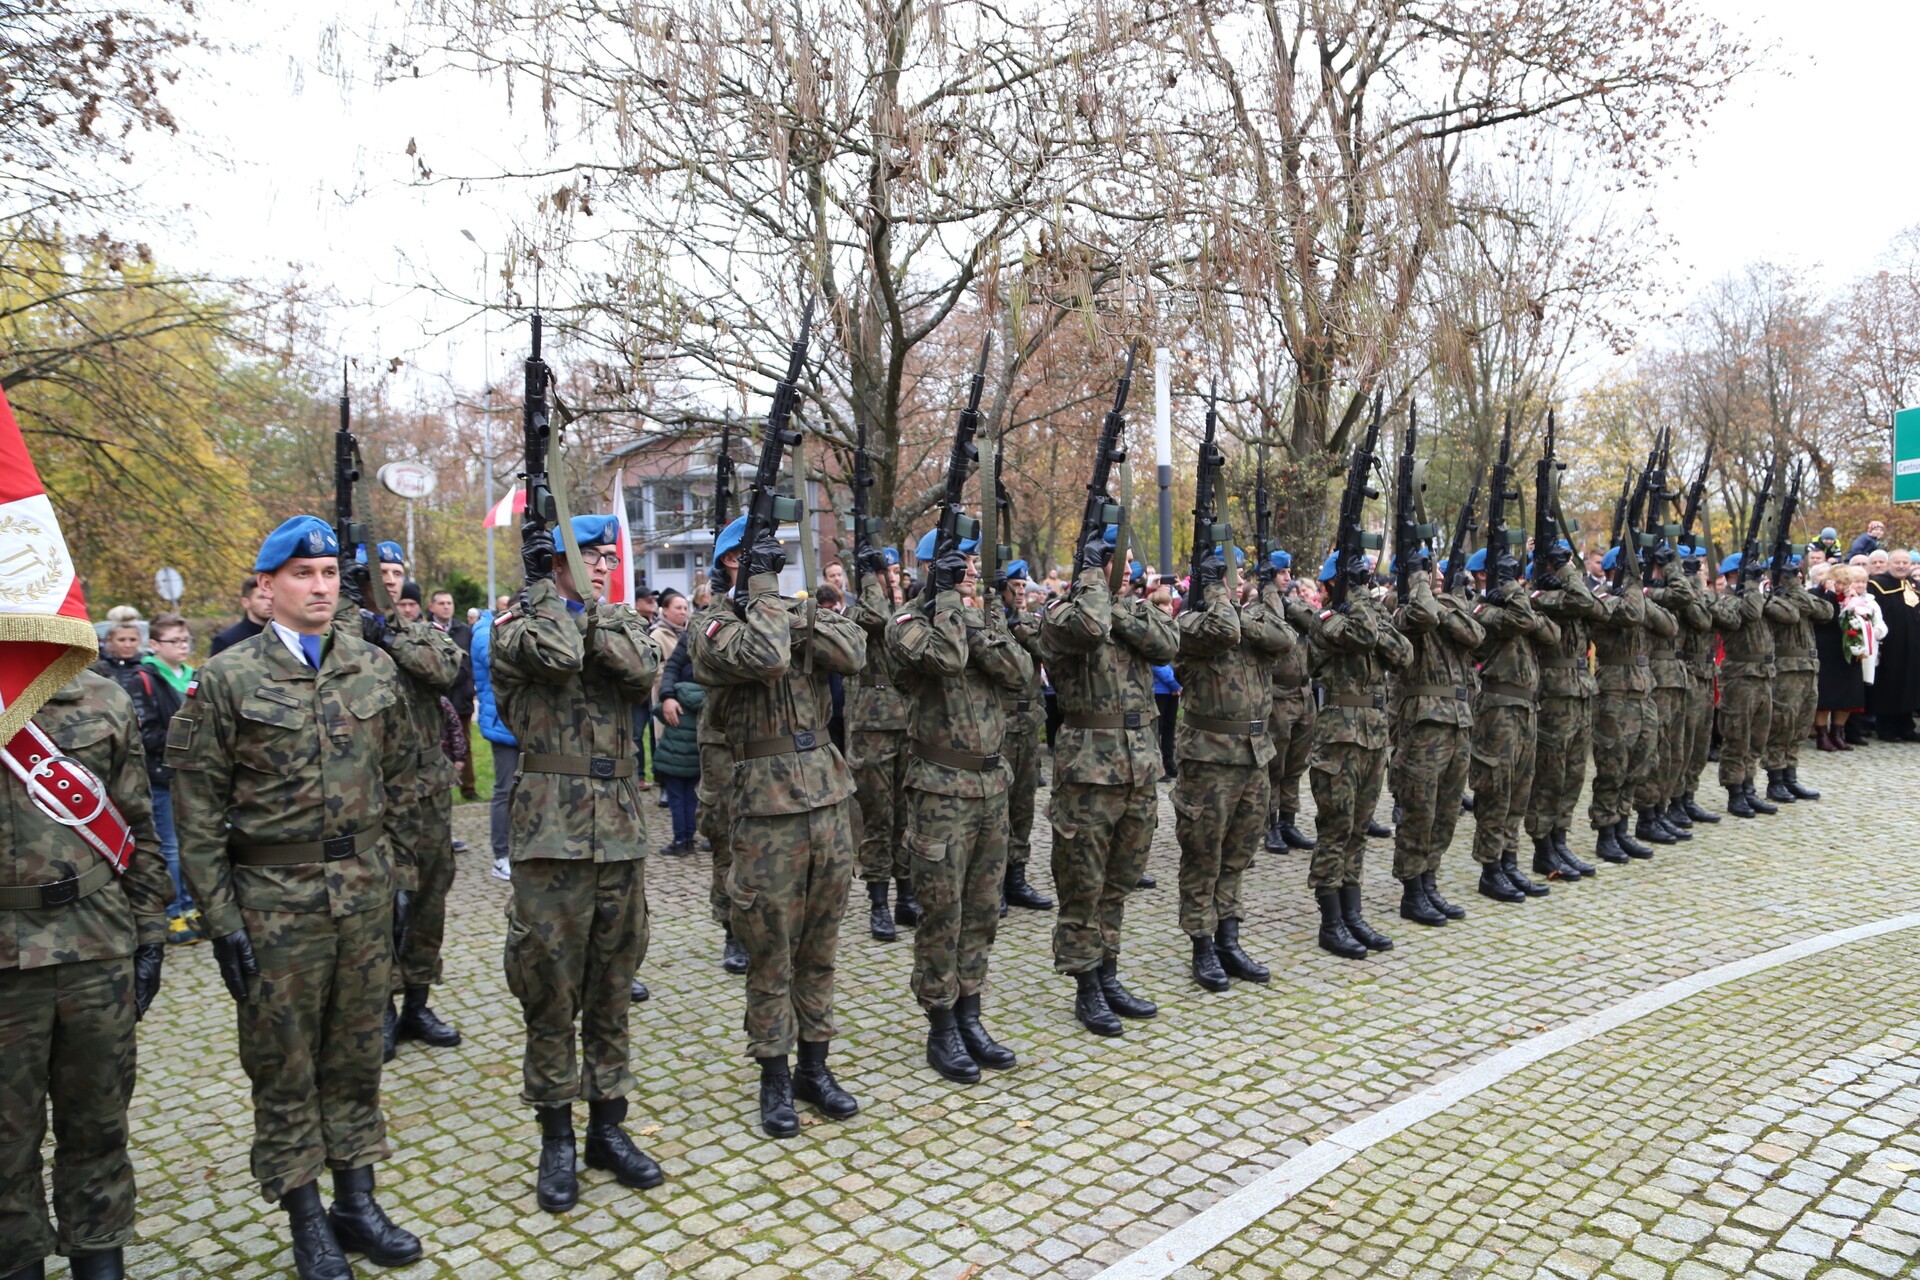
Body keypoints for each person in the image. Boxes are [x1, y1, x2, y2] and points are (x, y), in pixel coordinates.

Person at [168, 514, 425, 1277]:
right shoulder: (227, 678)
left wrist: (402, 877)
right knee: (284, 1065)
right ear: (267, 585)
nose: (320, 587)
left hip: (364, 895)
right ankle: (305, 1215)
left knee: (357, 1055)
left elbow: (406, 777)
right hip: (275, 905)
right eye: (302, 574)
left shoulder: (372, 666)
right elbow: (197, 811)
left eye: (329, 574)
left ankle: (357, 1201)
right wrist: (221, 920)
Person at [493, 514, 665, 1210]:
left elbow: (643, 671)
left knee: (612, 988)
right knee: (550, 991)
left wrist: (591, 611)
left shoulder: (617, 623)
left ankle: (608, 1128)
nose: (601, 566)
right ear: (553, 560)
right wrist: (545, 594)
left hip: (618, 830)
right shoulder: (518, 626)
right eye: (586, 555)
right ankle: (556, 1138)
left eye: (607, 557)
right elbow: (559, 657)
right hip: (550, 835)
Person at [694, 514, 866, 1137]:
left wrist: (796, 610)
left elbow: (853, 652)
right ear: (733, 561)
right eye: (759, 553)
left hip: (827, 799)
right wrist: (766, 595)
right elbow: (765, 658)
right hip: (765, 812)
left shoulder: (795, 614)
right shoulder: (712, 626)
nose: (775, 560)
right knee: (771, 954)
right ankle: (773, 1074)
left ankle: (814, 1068)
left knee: (819, 949)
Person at [1, 661, 169, 1280]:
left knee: (99, 1127)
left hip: (96, 942)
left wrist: (150, 929)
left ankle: (100, 1260)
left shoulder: (102, 697)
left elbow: (137, 822)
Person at [885, 526, 1031, 1082]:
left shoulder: (979, 619)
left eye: (973, 561)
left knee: (982, 910)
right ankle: (941, 1024)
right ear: (931, 568)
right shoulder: (907, 624)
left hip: (991, 786)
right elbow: (945, 659)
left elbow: (1020, 673)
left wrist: (974, 620)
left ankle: (971, 1014)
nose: (972, 569)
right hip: (941, 790)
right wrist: (946, 601)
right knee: (942, 913)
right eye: (961, 562)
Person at [1038, 525, 1176, 1035]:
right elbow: (1090, 627)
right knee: (1083, 885)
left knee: (1119, 881)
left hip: (1139, 767)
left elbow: (1167, 644)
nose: (1132, 567)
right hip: (1088, 772)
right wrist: (1092, 578)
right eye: (1121, 558)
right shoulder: (1061, 615)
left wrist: (1118, 604)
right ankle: (1086, 985)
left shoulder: (1133, 611)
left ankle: (1108, 971)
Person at [360, 549, 464, 1062]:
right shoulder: (338, 634)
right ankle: (380, 1007)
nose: (390, 583)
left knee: (428, 898)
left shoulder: (418, 632)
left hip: (426, 793)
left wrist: (391, 636)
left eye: (397, 574)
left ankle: (417, 1003)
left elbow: (445, 670)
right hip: (368, 795)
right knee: (379, 905)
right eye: (379, 574)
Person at [1173, 546, 1291, 990]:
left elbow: (1285, 638)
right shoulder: (1193, 623)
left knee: (1238, 854)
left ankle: (1229, 939)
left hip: (1253, 755)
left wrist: (1242, 606)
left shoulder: (1249, 621)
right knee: (1204, 855)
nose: (1239, 582)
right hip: (1209, 759)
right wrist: (1213, 594)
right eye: (1230, 575)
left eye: (1240, 575)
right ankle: (1202, 945)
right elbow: (1222, 629)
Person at [1304, 552, 1413, 958]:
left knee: (1359, 829)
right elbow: (1365, 637)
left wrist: (1371, 609)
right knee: (1336, 828)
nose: (1363, 585)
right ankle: (1331, 921)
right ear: (1334, 584)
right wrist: (1360, 600)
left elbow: (1404, 655)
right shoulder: (1326, 620)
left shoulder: (1367, 615)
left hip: (1372, 735)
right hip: (1339, 738)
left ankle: (1353, 914)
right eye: (1354, 579)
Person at [1387, 555, 1483, 922]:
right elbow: (1424, 616)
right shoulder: (1403, 608)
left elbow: (1476, 635)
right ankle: (1412, 890)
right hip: (1424, 722)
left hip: (1458, 719)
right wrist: (1418, 583)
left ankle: (1429, 880)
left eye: (1437, 570)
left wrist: (1443, 602)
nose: (1438, 575)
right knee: (1420, 809)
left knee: (1446, 809)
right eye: (1430, 570)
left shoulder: (1444, 606)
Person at [1465, 548, 1557, 902]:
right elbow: (1520, 620)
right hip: (1498, 709)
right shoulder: (1481, 609)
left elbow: (1551, 633)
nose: (1516, 579)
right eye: (1506, 574)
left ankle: (1510, 861)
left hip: (1526, 707)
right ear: (1485, 575)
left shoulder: (1518, 608)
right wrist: (1510, 589)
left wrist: (1518, 594)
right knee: (1496, 790)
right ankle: (1490, 869)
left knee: (1520, 789)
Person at [848, 541, 919, 942]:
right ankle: (878, 904)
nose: (892, 580)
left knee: (905, 818)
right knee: (877, 819)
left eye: (894, 573)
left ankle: (906, 896)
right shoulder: (859, 611)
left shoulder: (908, 611)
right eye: (883, 573)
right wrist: (869, 582)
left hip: (907, 724)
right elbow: (876, 617)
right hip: (872, 728)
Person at [1526, 539, 1606, 876]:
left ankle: (1559, 841)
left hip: (1579, 691)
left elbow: (1596, 607)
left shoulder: (1570, 596)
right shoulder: (1539, 597)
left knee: (1573, 773)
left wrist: (1565, 572)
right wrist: (1562, 569)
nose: (1568, 566)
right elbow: (1583, 599)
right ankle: (1543, 847)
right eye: (1561, 561)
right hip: (1554, 696)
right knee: (1550, 774)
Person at [998, 561, 1054, 912]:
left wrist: (1020, 623)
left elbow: (1046, 647)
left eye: (1023, 586)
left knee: (1023, 805)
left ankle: (1016, 878)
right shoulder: (990, 622)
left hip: (1028, 722)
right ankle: (993, 883)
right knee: (998, 806)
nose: (1020, 592)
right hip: (1000, 724)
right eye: (1014, 586)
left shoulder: (1030, 621)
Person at [1762, 555, 1833, 801]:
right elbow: (1791, 614)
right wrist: (1790, 586)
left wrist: (1796, 587)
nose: (1799, 577)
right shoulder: (1772, 598)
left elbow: (1826, 611)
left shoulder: (1801, 596)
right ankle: (1775, 779)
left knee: (1801, 725)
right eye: (1792, 574)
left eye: (1799, 573)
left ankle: (1790, 776)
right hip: (1786, 669)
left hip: (1808, 668)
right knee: (1782, 723)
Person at [1711, 553, 1777, 818]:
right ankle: (1735, 791)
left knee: (1757, 737)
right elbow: (1749, 614)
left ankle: (1749, 786)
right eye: (1748, 574)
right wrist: (1751, 586)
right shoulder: (1726, 600)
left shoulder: (1756, 596)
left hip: (1763, 673)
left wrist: (1759, 588)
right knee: (1737, 736)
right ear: (1733, 575)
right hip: (1740, 675)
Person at [1263, 551, 1318, 854]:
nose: (1288, 577)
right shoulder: (1260, 610)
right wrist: (1273, 601)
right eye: (1282, 572)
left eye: (1289, 572)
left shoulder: (1295, 607)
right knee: (1275, 765)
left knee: (1296, 764)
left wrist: (1289, 605)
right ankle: (1270, 825)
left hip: (1303, 695)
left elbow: (1316, 625)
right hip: (1278, 696)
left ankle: (1288, 821)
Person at [470, 603, 518, 882]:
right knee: (505, 791)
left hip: (523, 726)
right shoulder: (483, 632)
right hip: (503, 726)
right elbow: (500, 659)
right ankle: (501, 856)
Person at [1814, 565, 1872, 750]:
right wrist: (1831, 595)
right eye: (1839, 582)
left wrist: (1855, 604)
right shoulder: (1817, 595)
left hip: (1848, 651)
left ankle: (1837, 733)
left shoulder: (1853, 598)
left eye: (1846, 583)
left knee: (1848, 695)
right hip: (1825, 651)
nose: (1842, 587)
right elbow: (1825, 617)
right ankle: (1822, 735)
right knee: (1825, 696)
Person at [430, 590, 480, 800]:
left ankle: (468, 787)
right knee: (436, 744)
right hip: (436, 698)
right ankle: (440, 786)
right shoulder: (426, 630)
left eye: (449, 603)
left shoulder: (464, 631)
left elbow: (471, 662)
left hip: (461, 697)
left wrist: (470, 687)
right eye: (441, 603)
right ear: (432, 607)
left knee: (464, 744)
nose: (446, 607)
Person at [1866, 550, 1920, 742]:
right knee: (1889, 684)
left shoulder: (1913, 585)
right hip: (1890, 645)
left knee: (1910, 684)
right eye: (1897, 562)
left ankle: (1906, 726)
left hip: (1912, 645)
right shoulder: (1877, 585)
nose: (1901, 566)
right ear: (1889, 564)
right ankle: (1886, 727)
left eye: (1905, 562)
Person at [209, 575, 273, 656]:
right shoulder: (227, 641)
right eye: (262, 597)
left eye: (271, 596)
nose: (269, 602)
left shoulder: (283, 635)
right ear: (246, 603)